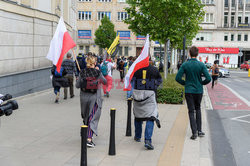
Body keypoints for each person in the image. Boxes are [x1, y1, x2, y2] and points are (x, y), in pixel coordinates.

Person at [176, 46, 211, 140]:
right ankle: (199, 130)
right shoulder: (201, 65)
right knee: (198, 109)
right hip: (199, 90)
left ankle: (194, 132)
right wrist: (201, 83)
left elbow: (177, 78)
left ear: (189, 53)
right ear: (197, 54)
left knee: (191, 111)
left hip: (189, 90)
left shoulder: (185, 64)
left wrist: (185, 83)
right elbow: (208, 78)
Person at [76, 56, 107, 148]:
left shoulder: (82, 72)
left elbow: (77, 85)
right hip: (94, 98)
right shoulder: (97, 72)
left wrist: (82, 79)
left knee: (86, 116)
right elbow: (105, 82)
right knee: (92, 117)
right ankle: (89, 139)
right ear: (94, 63)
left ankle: (85, 133)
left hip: (84, 98)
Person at [132, 61, 162, 150]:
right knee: (151, 117)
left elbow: (131, 80)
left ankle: (137, 136)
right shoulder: (154, 69)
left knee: (138, 115)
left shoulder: (136, 69)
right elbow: (160, 80)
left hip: (138, 94)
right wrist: (154, 85)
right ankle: (148, 140)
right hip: (150, 94)